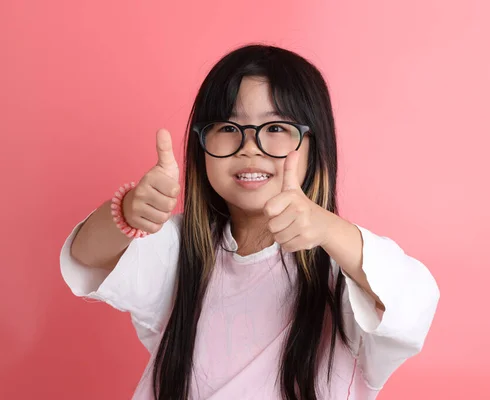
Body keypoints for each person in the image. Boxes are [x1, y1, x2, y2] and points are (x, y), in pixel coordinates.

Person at [59, 44, 440, 400]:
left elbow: (410, 304)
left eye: (275, 128)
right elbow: (86, 256)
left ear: (316, 146)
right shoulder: (183, 249)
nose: (249, 147)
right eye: (227, 128)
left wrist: (326, 229)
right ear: (200, 144)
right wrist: (125, 213)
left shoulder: (344, 267)